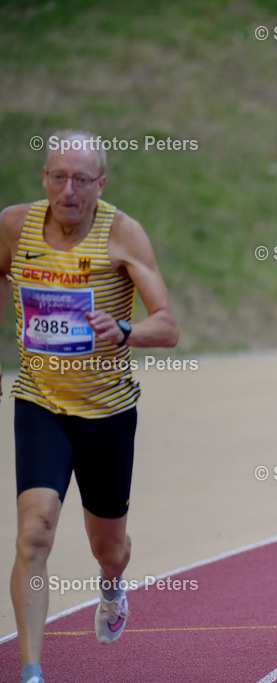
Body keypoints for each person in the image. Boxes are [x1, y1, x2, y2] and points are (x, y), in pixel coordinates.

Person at [0, 130, 179, 683]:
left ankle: (112, 586)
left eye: (81, 180)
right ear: (44, 178)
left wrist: (123, 330)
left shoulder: (122, 234)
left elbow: (167, 326)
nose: (68, 191)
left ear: (100, 184)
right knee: (34, 532)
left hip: (107, 413)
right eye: (58, 177)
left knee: (111, 548)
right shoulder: (14, 226)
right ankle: (31, 672)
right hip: (41, 402)